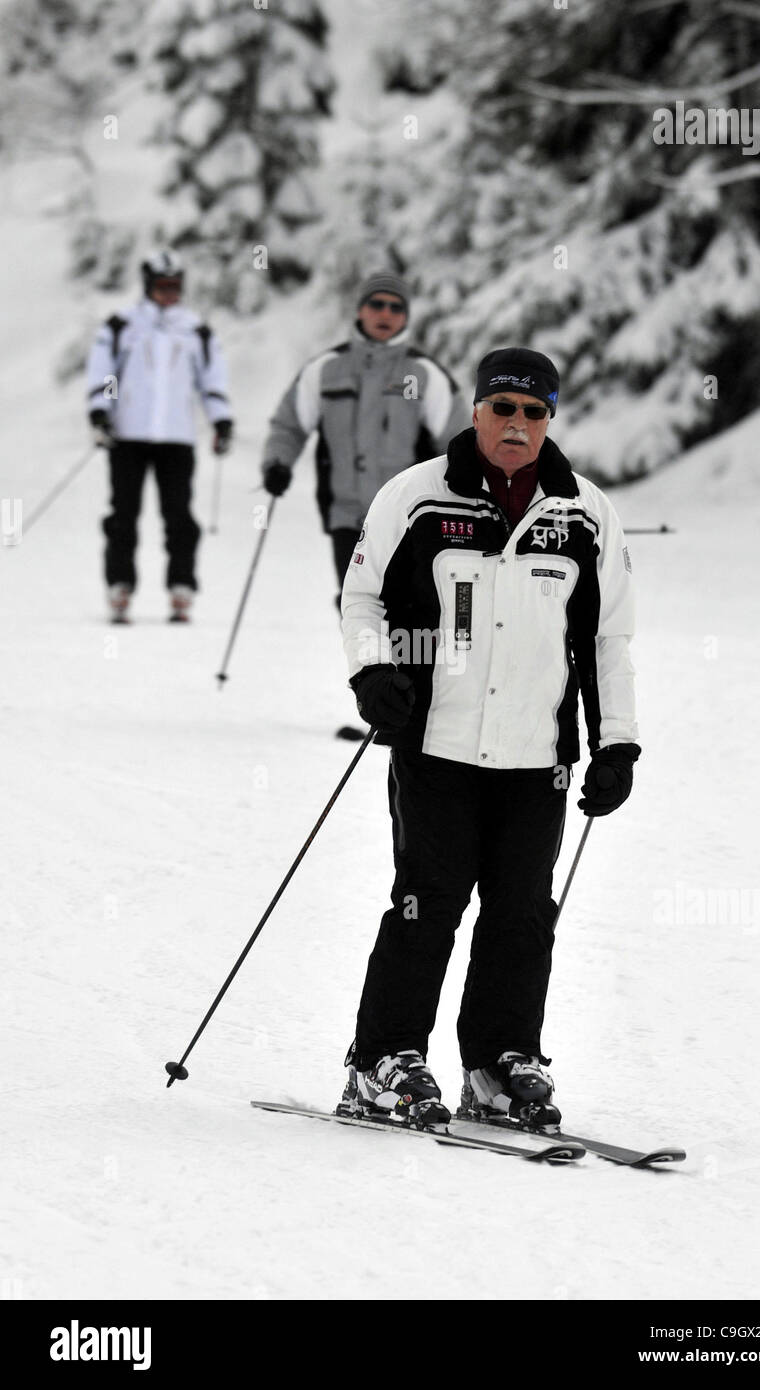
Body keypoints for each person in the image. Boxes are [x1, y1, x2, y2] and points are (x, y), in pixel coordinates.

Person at [337, 347, 641, 1128]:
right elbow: (363, 597)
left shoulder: (583, 515)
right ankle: (382, 1060)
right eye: (502, 407)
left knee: (520, 912)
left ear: (550, 420)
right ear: (475, 411)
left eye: (533, 411)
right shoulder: (416, 497)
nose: (516, 424)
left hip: (536, 752)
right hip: (435, 741)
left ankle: (500, 1062)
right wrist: (373, 676)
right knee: (424, 902)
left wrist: (616, 745)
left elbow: (608, 640)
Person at [259, 271, 469, 608]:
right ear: (360, 310)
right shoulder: (326, 370)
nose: (385, 314)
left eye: (396, 307)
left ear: (406, 316)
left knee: (410, 610)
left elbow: (459, 441)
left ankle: (407, 662)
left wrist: (467, 488)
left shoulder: (424, 374)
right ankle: (365, 663)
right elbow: (289, 425)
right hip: (347, 515)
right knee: (358, 606)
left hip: (410, 517)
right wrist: (277, 462)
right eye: (377, 304)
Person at [86, 250, 233, 624]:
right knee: (123, 515)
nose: (170, 293)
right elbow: (105, 372)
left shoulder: (196, 330)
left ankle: (181, 586)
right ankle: (120, 584)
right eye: (162, 286)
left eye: (176, 286)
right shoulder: (122, 325)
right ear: (148, 285)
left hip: (176, 438)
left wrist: (221, 420)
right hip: (127, 436)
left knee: (179, 515)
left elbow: (211, 381)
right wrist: (101, 410)